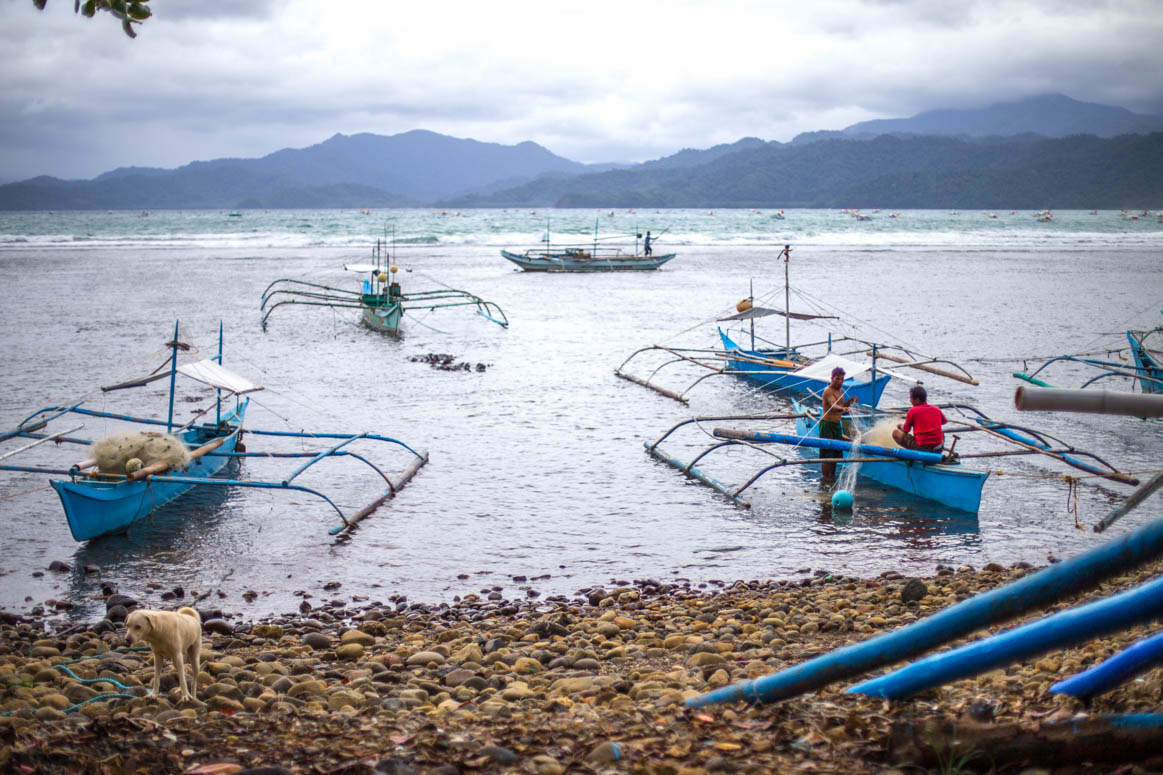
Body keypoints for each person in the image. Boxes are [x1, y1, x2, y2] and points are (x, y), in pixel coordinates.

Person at [819, 366, 858, 482]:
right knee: (827, 455)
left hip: (836, 425)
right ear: (832, 378)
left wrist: (850, 401)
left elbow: (842, 405)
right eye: (837, 379)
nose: (840, 382)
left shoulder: (839, 391)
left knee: (835, 453)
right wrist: (843, 409)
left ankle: (832, 477)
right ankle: (826, 479)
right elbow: (833, 406)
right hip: (827, 424)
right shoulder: (828, 391)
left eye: (842, 379)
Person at [893, 384, 946, 453]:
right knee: (941, 432)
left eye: (911, 398)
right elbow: (944, 422)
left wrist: (900, 426)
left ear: (917, 400)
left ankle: (913, 454)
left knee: (896, 433)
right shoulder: (937, 409)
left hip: (922, 448)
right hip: (938, 448)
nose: (910, 400)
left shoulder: (912, 411)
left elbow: (906, 430)